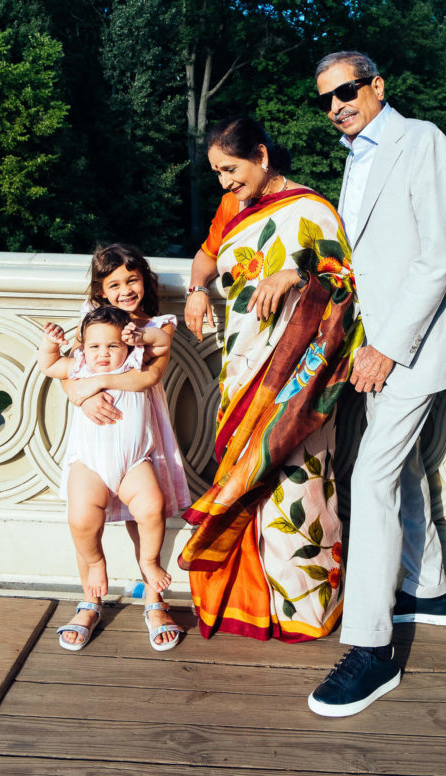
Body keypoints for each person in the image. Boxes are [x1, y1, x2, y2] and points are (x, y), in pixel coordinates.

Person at [308, 51, 446, 717]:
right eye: (326, 98)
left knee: (370, 478)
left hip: (410, 346)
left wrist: (384, 346)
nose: (335, 106)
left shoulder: (422, 140)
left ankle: (370, 652)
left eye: (345, 91)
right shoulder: (357, 156)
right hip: (375, 346)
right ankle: (429, 591)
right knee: (400, 467)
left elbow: (439, 254)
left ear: (377, 87)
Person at [181, 116, 363, 641]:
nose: (224, 182)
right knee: (245, 476)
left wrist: (296, 274)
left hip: (300, 380)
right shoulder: (231, 208)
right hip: (244, 368)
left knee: (298, 485)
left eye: (230, 169)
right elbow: (207, 258)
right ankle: (249, 599)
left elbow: (348, 280)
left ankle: (306, 609)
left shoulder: (311, 209)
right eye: (217, 172)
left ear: (261, 155)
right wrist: (196, 291)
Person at [40, 243, 190, 652]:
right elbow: (67, 374)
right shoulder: (92, 330)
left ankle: (153, 598)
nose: (126, 290)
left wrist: (100, 382)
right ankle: (91, 596)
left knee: (147, 513)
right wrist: (83, 394)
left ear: (145, 281)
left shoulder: (155, 326)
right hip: (92, 447)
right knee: (83, 518)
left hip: (141, 442)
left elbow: (147, 376)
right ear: (101, 290)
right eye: (115, 284)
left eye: (133, 280)